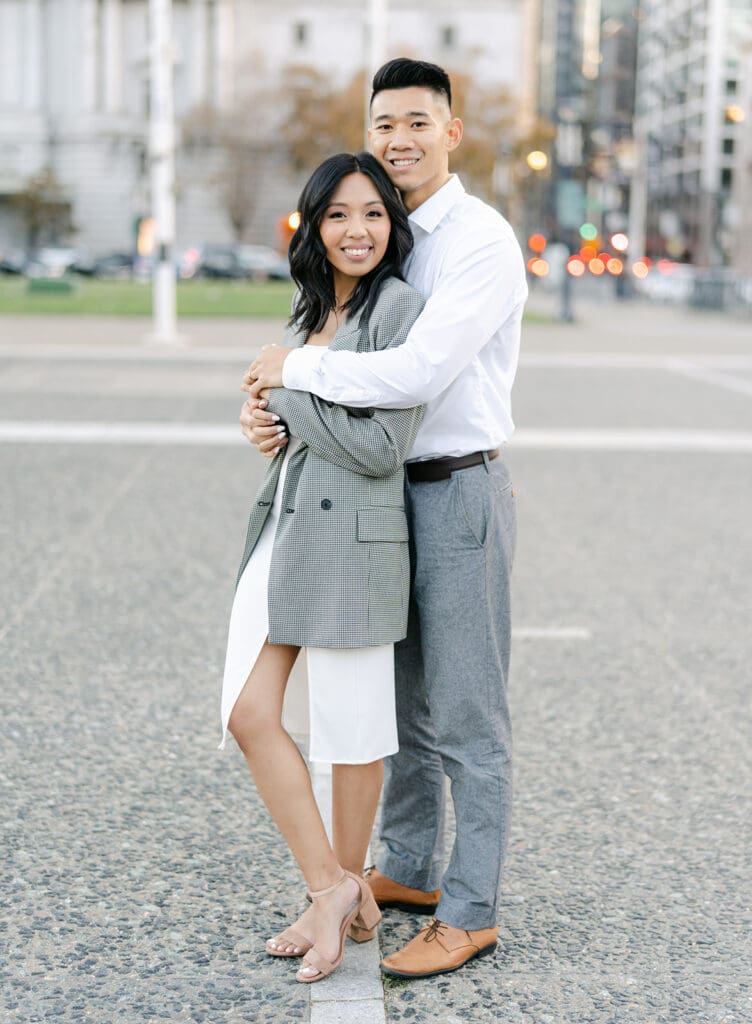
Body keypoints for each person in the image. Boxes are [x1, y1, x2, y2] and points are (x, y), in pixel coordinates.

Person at [242, 58, 527, 979]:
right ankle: (406, 868)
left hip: (455, 489)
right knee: (401, 702)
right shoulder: (388, 230)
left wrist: (290, 374)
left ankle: (472, 910)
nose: (397, 140)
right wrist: (272, 410)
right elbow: (345, 354)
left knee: (467, 715)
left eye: (416, 122)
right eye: (383, 126)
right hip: (383, 497)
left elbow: (411, 375)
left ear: (452, 131)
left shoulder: (478, 241)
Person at [221, 151, 425, 984]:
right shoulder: (307, 307)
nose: (356, 230)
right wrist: (259, 415)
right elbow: (297, 412)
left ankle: (334, 897)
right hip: (288, 526)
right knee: (246, 711)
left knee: (351, 731)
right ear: (313, 225)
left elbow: (382, 447)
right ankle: (335, 887)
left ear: (391, 223)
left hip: (357, 539)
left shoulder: (403, 310)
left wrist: (288, 381)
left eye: (373, 213)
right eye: (338, 214)